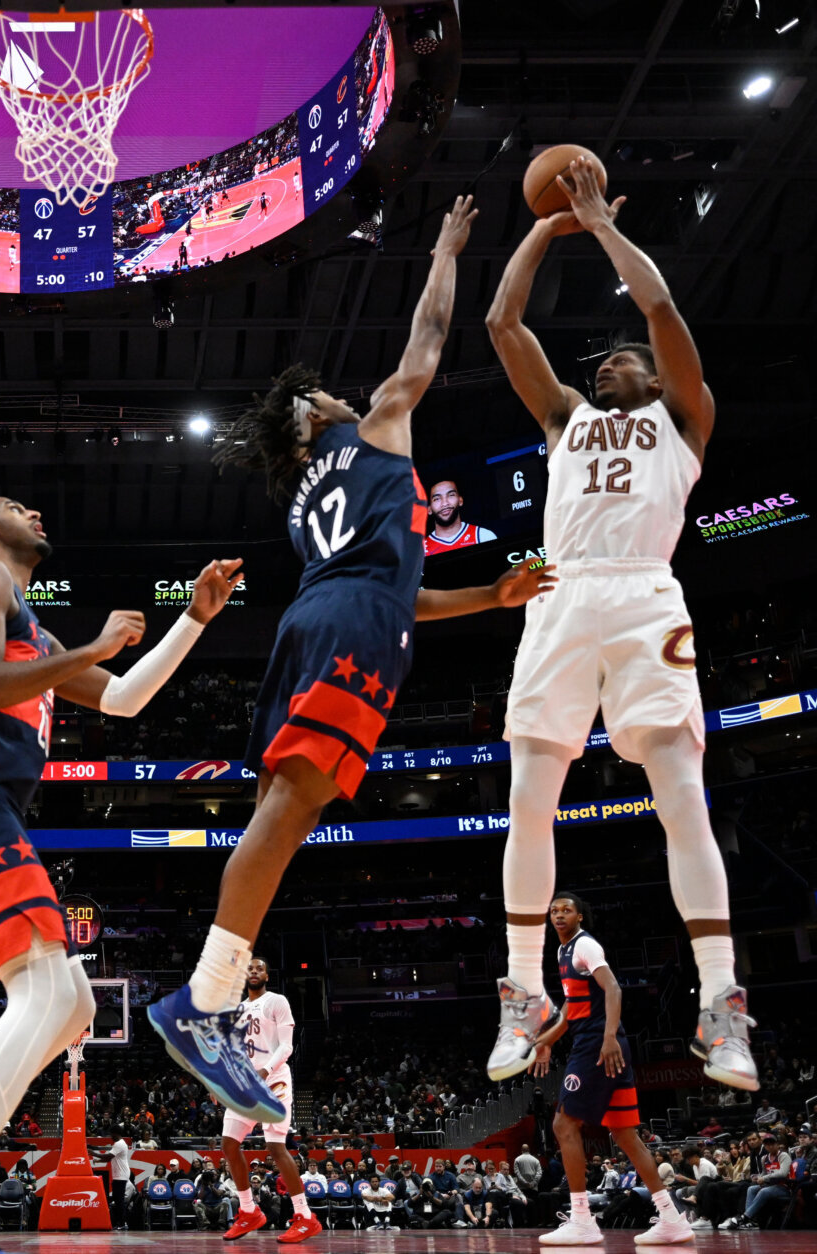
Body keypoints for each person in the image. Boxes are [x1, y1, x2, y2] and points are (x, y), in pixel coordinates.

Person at [149, 197, 551, 1118]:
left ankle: (209, 996)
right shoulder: (375, 429)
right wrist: (445, 249)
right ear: (309, 419)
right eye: (323, 393)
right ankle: (204, 1000)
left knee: (277, 816)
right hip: (356, 630)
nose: (339, 392)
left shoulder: (302, 503)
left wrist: (488, 596)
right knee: (292, 811)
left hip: (310, 623)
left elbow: (393, 585)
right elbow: (428, 339)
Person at [0, 495, 243, 1254]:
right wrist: (96, 644)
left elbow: (124, 699)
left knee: (74, 1006)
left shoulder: (34, 632)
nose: (34, 511)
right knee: (41, 994)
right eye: (14, 506)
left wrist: (193, 620)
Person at [483, 157, 755, 1094]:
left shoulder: (684, 419)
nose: (607, 364)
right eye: (602, 363)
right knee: (530, 796)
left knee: (682, 794)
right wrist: (542, 228)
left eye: (621, 359)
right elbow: (503, 324)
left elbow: (662, 309)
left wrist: (599, 225)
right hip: (563, 594)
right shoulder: (565, 418)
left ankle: (721, 1005)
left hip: (645, 596)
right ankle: (523, 993)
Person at [526, 892, 692, 1245]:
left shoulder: (586, 946)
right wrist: (547, 1040)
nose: (559, 915)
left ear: (580, 916)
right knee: (624, 1134)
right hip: (603, 1043)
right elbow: (572, 1006)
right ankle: (671, 1218)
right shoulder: (563, 951)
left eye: (566, 910)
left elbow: (614, 988)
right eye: (554, 911)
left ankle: (582, 1220)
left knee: (563, 1124)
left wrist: (609, 1036)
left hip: (597, 1046)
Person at [218, 959, 319, 1243]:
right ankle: (249, 1211)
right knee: (229, 1144)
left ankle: (305, 1216)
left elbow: (287, 1046)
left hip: (274, 1081)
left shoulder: (277, 1001)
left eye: (259, 968)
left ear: (267, 975)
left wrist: (265, 1070)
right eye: (249, 969)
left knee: (275, 1147)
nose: (254, 972)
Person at [421, 479, 498, 553]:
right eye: (437, 499)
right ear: (429, 509)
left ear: (460, 500)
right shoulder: (421, 551)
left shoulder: (483, 536)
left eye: (451, 495)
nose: (445, 503)